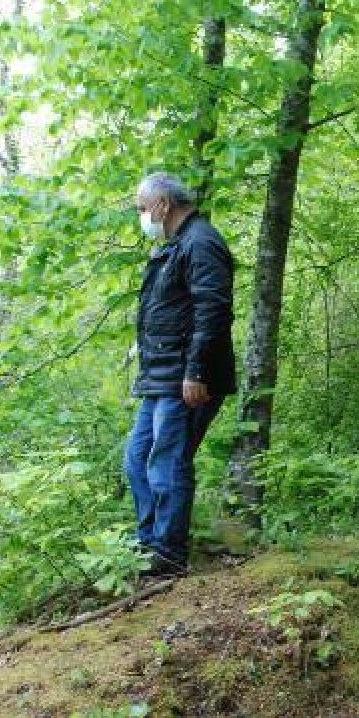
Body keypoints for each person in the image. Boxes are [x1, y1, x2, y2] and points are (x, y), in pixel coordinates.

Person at [125, 171, 236, 577]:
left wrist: (196, 370)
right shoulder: (180, 245)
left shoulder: (202, 242)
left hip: (185, 377)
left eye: (142, 208)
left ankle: (168, 554)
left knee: (167, 462)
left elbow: (213, 310)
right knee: (137, 459)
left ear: (163, 205)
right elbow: (174, 308)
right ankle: (149, 544)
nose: (142, 217)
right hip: (161, 374)